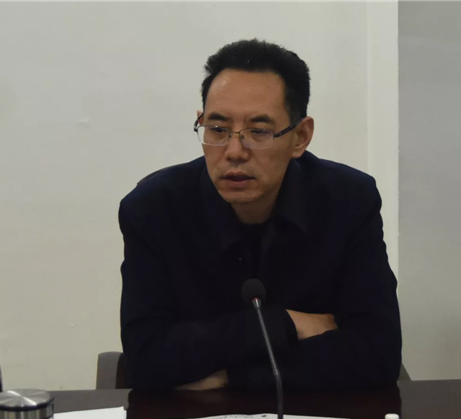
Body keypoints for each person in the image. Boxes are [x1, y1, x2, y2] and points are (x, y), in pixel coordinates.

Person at [119, 39, 402, 391]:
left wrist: (232, 376)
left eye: (259, 131)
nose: (234, 151)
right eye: (218, 129)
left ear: (300, 137)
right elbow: (147, 360)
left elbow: (377, 354)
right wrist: (282, 324)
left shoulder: (348, 201)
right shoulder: (154, 209)